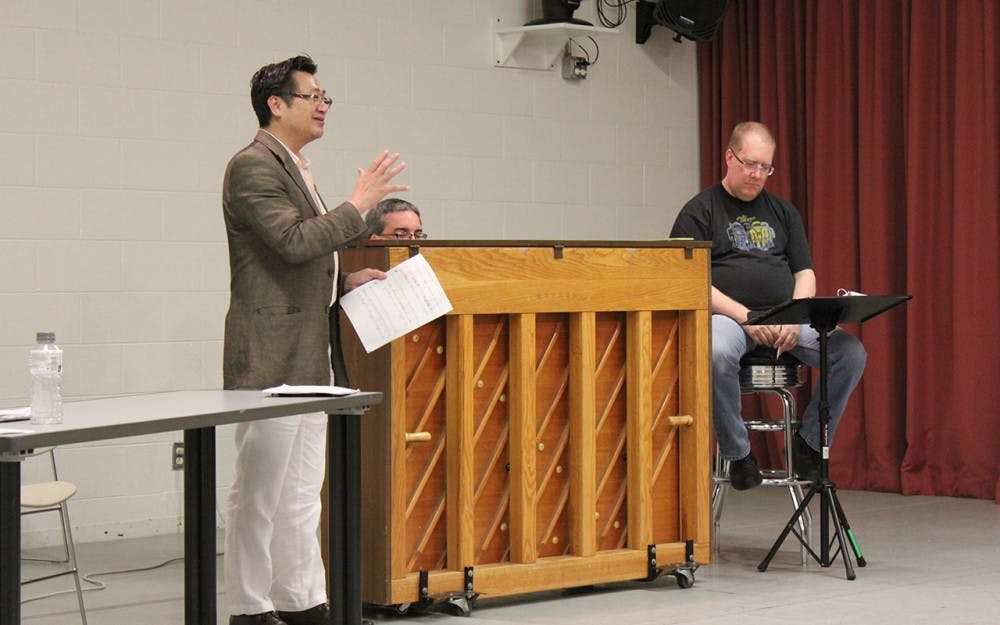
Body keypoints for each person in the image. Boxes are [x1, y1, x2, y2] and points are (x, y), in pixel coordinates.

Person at [221, 55, 408, 625]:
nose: (323, 105)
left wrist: (345, 279)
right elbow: (293, 242)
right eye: (312, 96)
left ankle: (301, 600)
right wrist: (359, 204)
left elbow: (308, 260)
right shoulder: (252, 166)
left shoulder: (296, 166)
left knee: (303, 492)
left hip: (310, 354)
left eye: (327, 96)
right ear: (276, 105)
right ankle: (250, 608)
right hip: (270, 356)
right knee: (259, 491)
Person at [669, 121, 867, 491]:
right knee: (714, 351)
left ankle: (810, 442)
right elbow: (689, 280)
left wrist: (797, 313)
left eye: (765, 167)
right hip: (729, 317)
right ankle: (738, 453)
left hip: (784, 317)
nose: (757, 174)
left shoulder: (783, 211)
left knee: (850, 352)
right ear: (729, 157)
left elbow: (804, 272)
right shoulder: (699, 211)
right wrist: (744, 316)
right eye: (750, 164)